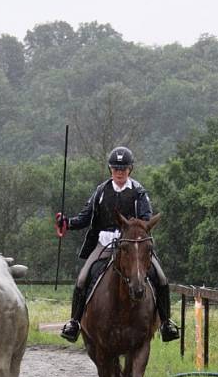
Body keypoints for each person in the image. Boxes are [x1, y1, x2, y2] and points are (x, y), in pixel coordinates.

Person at [55, 145, 179, 343]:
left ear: (130, 170)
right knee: (82, 278)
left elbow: (146, 220)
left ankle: (166, 323)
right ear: (110, 170)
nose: (119, 172)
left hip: (133, 246)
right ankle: (74, 323)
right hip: (104, 243)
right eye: (115, 169)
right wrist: (67, 223)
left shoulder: (138, 192)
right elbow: (86, 217)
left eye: (123, 169)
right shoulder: (101, 191)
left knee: (162, 278)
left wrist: (133, 230)